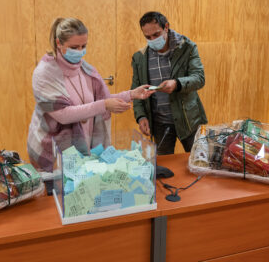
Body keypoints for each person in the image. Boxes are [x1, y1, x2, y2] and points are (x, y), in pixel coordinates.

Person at [28, 17, 154, 172]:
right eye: (74, 47)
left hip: (81, 147)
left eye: (83, 46)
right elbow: (63, 114)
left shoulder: (85, 69)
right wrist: (105, 105)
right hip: (53, 151)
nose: (80, 52)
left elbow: (97, 101)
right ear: (58, 43)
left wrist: (131, 94)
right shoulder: (45, 73)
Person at [131, 11, 208, 155]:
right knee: (163, 169)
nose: (152, 40)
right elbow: (136, 90)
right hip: (160, 123)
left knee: (199, 161)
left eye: (156, 34)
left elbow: (199, 78)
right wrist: (141, 116)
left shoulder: (187, 48)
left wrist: (177, 84)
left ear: (166, 27)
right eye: (147, 37)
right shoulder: (140, 57)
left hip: (189, 120)